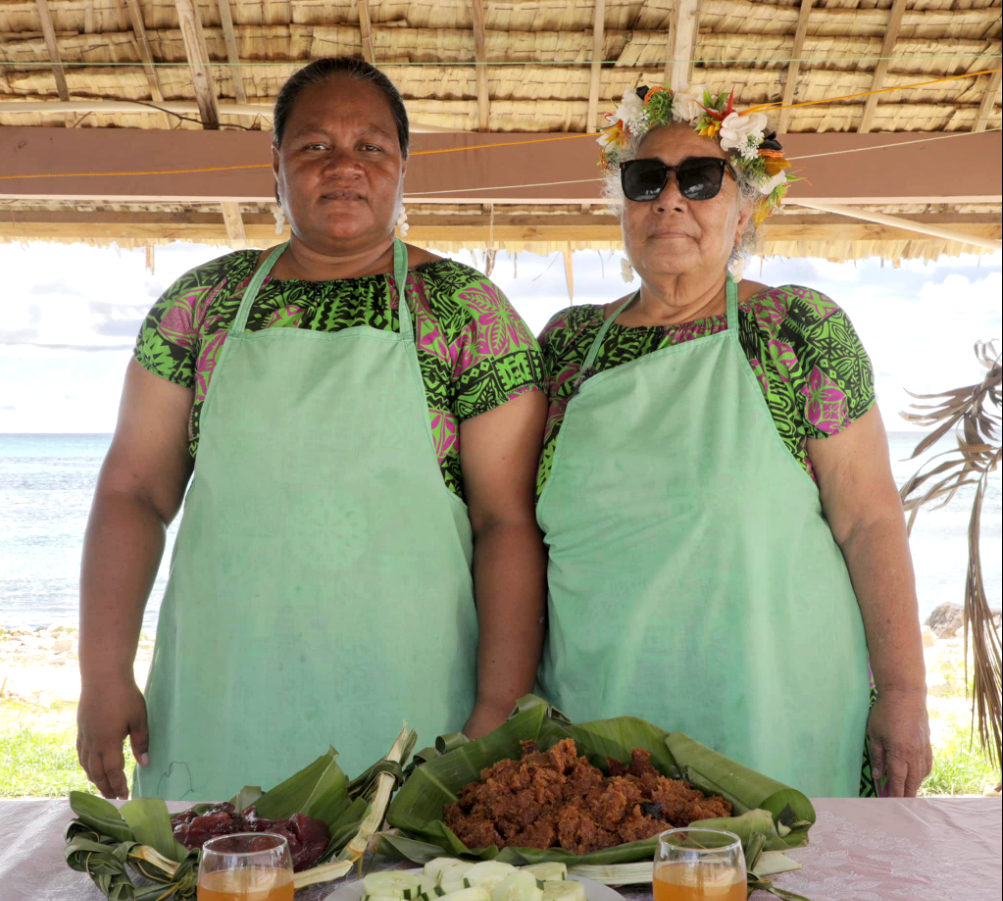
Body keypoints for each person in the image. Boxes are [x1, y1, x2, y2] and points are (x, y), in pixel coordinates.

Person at [76, 58, 547, 801]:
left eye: (370, 147)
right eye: (315, 147)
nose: (344, 167)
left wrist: (494, 709)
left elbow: (505, 524)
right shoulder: (203, 303)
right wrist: (104, 673)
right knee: (219, 898)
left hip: (414, 710)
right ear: (277, 168)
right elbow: (133, 491)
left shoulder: (466, 310)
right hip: (220, 695)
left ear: (402, 167)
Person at [535, 85, 932, 798]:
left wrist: (902, 694)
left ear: (743, 207)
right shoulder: (565, 346)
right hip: (598, 719)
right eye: (644, 179)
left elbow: (868, 519)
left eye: (699, 179)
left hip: (775, 713)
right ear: (619, 200)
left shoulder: (796, 329)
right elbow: (516, 535)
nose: (669, 200)